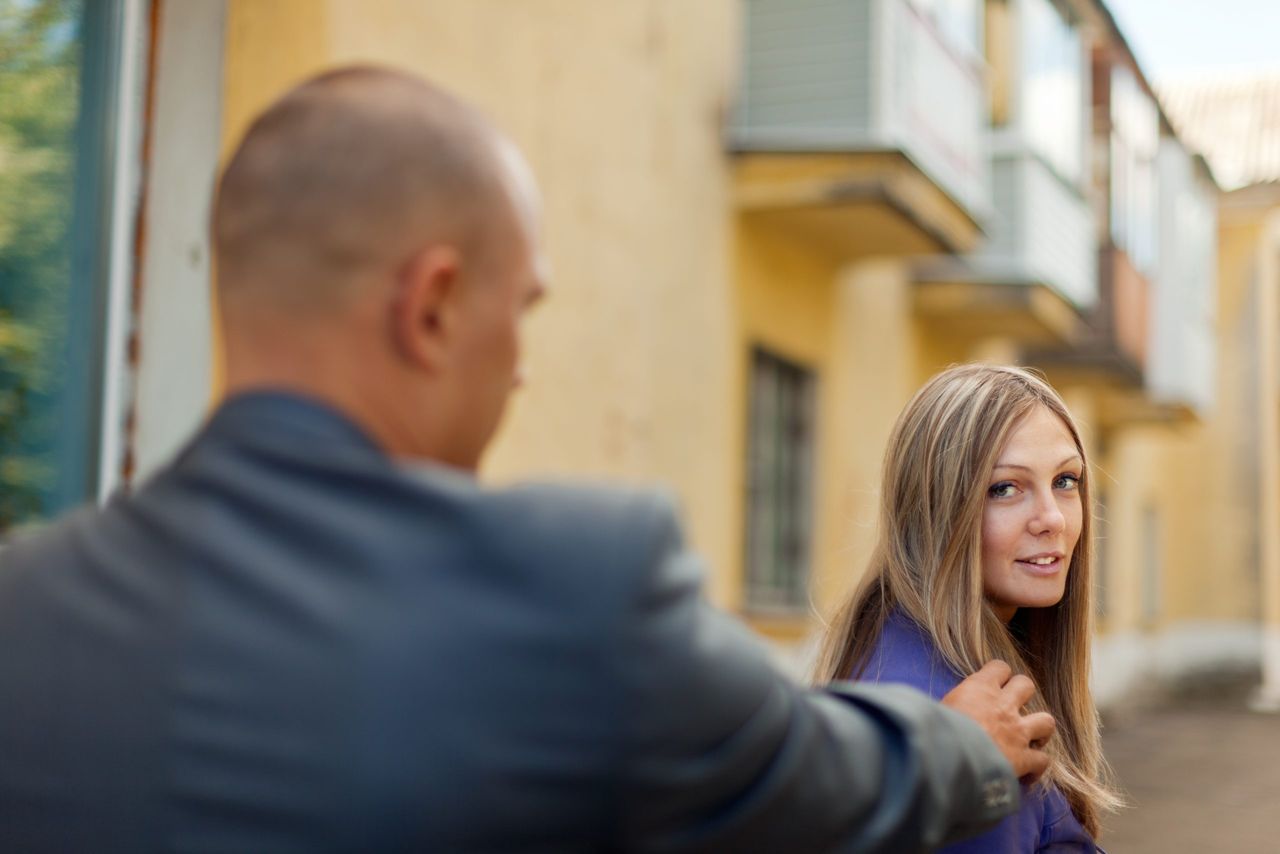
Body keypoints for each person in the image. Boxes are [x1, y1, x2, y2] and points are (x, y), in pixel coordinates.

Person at [0, 67, 1052, 853]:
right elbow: (811, 769)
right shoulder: (573, 589)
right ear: (434, 306)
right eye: (521, 312)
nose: (518, 373)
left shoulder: (26, 607)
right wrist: (963, 741)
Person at [816, 364, 1124, 852]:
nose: (1051, 519)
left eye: (1066, 480)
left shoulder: (907, 659)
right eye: (1005, 488)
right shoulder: (972, 730)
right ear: (935, 511)